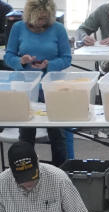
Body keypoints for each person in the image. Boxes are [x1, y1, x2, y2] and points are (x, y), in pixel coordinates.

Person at [3, 0, 71, 166]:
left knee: (57, 134)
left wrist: (49, 65)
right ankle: (26, 172)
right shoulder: (18, 28)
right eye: (39, 19)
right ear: (29, 16)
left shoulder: (58, 29)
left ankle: (60, 174)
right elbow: (8, 56)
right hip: (25, 88)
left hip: (51, 87)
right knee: (26, 135)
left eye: (46, 19)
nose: (42, 23)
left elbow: (66, 58)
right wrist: (21, 60)